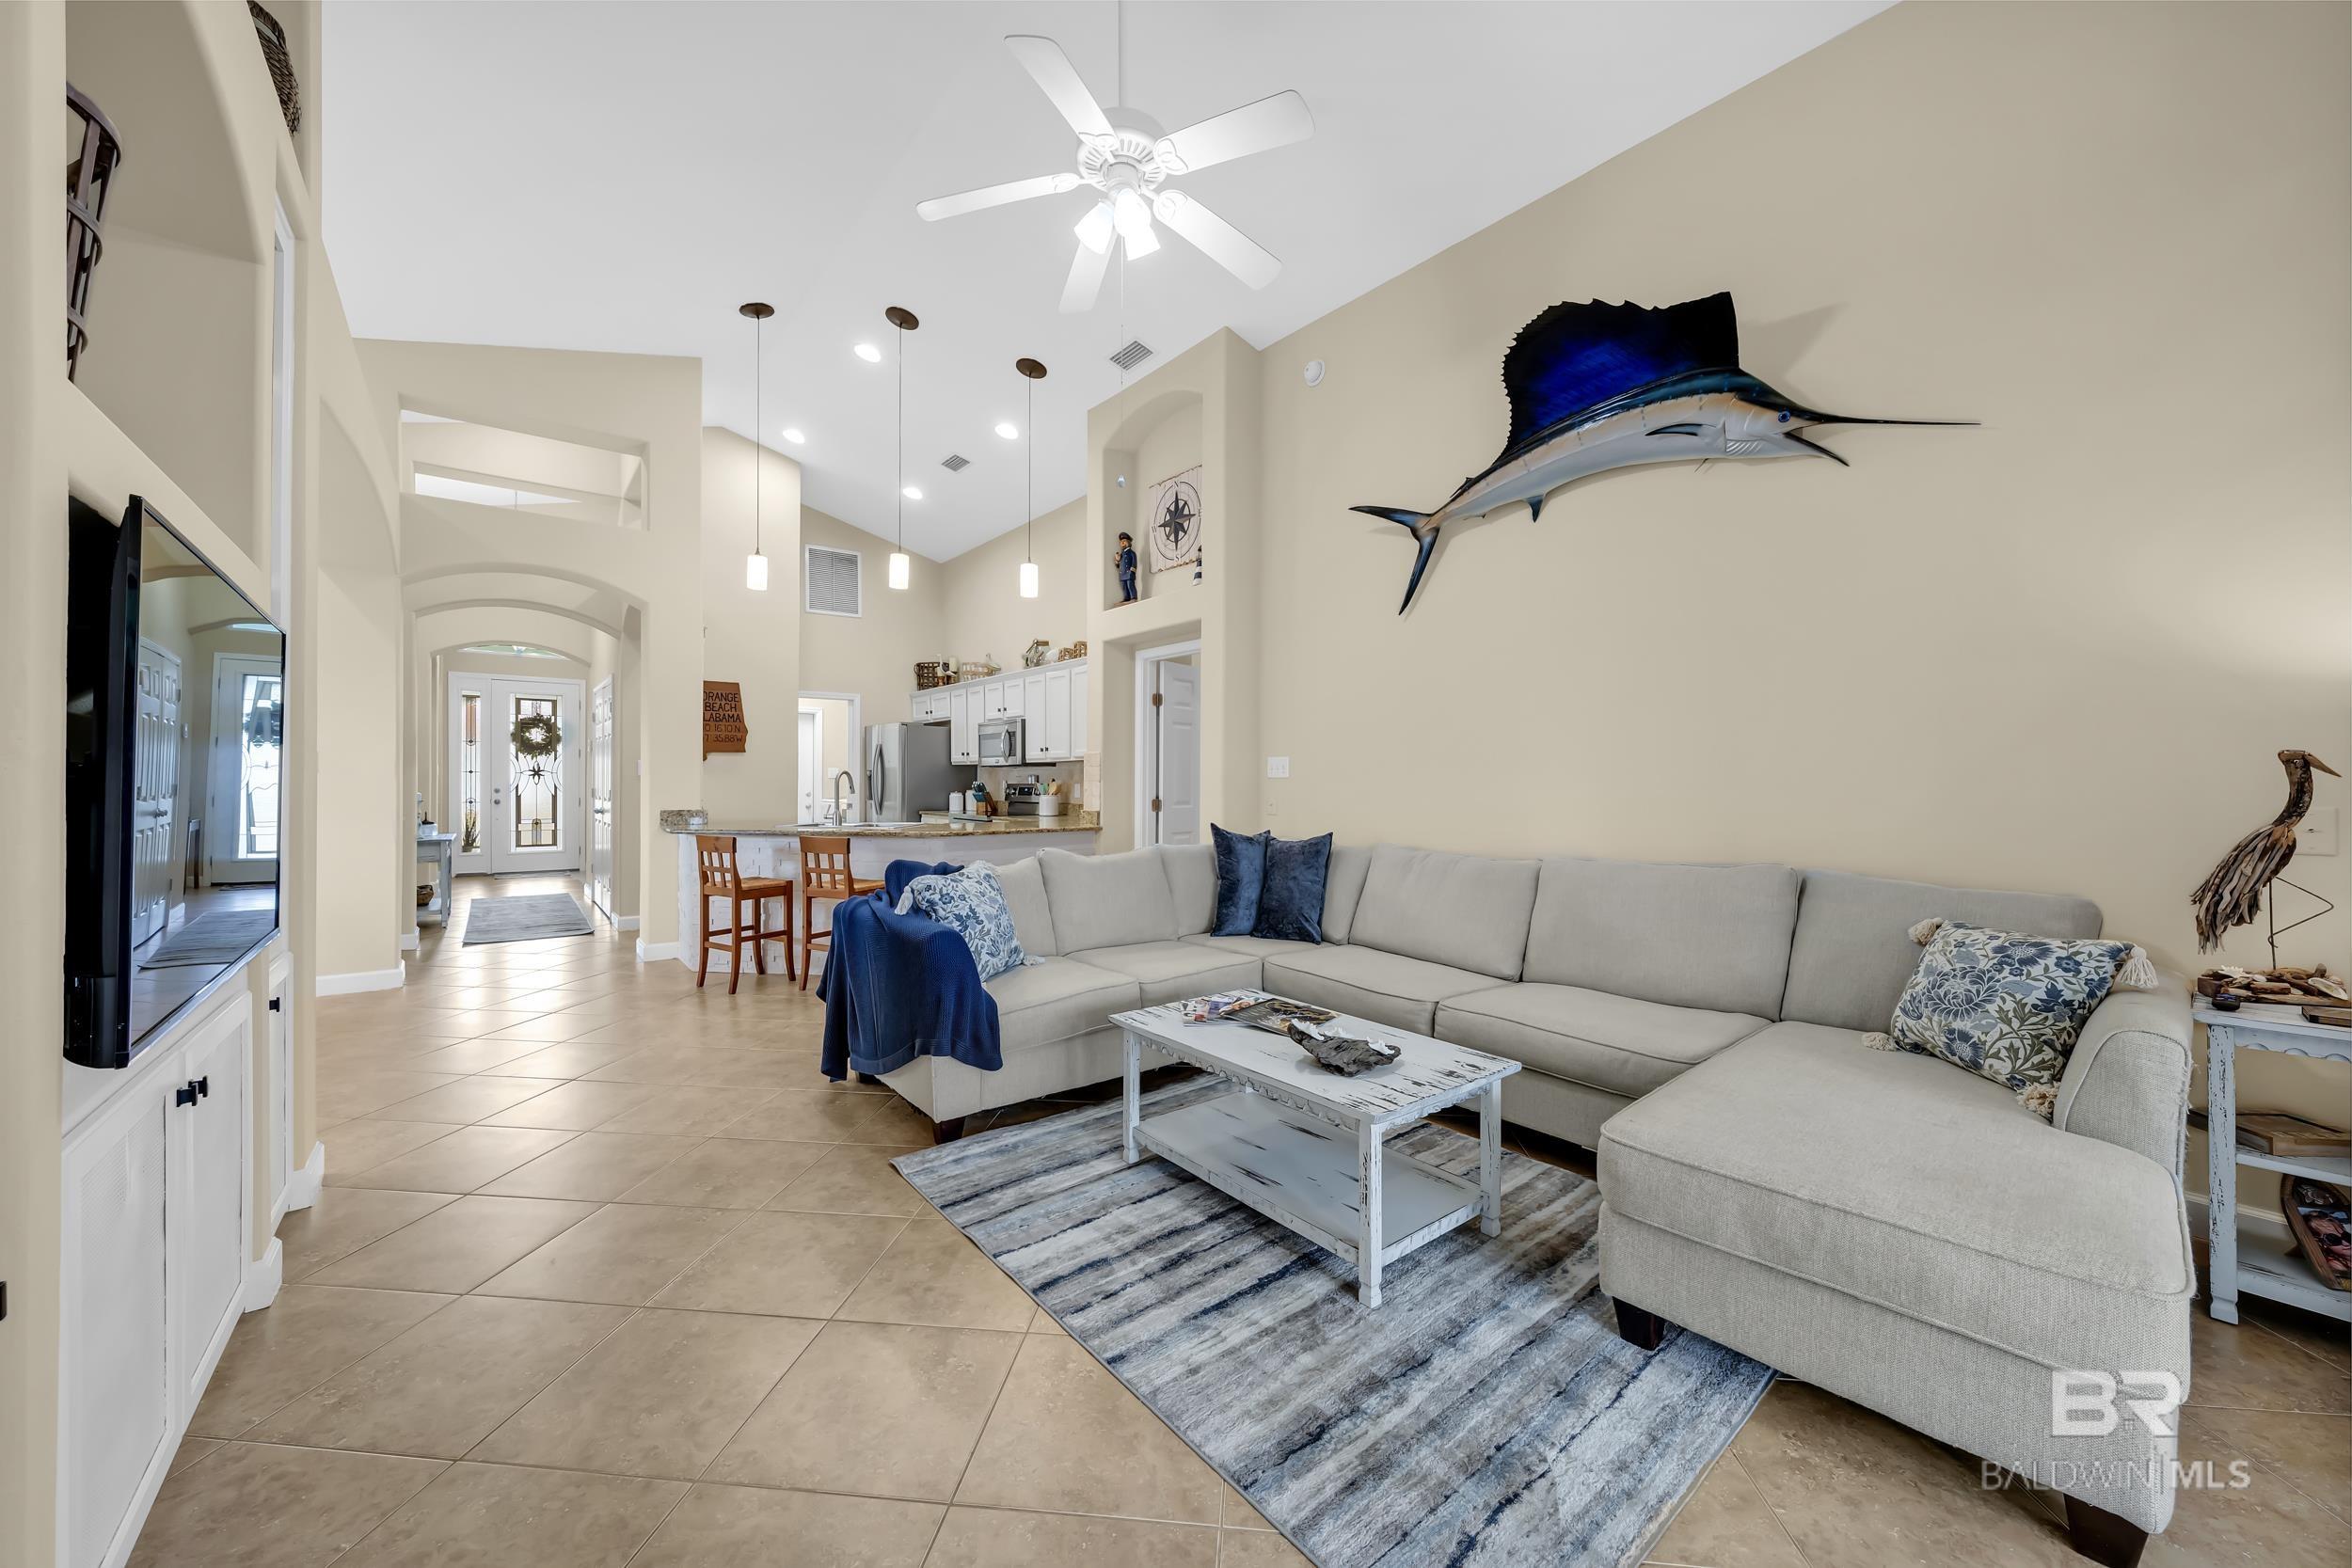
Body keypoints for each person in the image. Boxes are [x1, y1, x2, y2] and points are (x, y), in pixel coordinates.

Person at [1113, 531, 1138, 603]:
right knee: (1124, 586)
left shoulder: (1132, 553)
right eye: (1121, 541)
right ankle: (1126, 598)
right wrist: (1117, 560)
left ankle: (1133, 597)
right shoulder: (1121, 554)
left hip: (1129, 572)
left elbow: (1134, 563)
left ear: (1128, 542)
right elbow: (1118, 565)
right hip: (1122, 573)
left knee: (1130, 585)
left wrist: (1132, 571)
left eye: (1124, 541)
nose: (1122, 543)